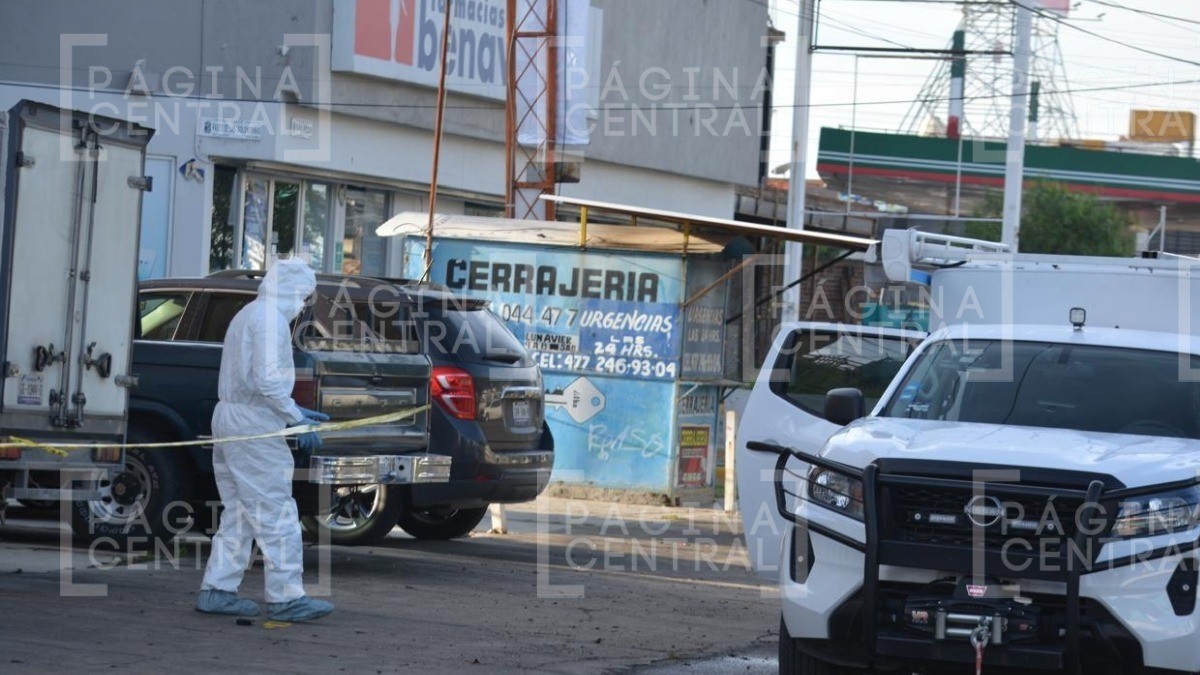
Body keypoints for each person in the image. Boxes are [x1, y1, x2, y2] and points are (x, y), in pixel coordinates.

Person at [195, 258, 334, 622]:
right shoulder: (270, 321)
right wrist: (296, 418)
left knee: (240, 511)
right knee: (276, 512)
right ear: (290, 289)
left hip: (229, 418)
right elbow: (268, 382)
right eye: (304, 296)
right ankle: (287, 597)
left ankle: (217, 589)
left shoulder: (247, 314)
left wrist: (293, 416)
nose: (303, 304)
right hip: (254, 425)